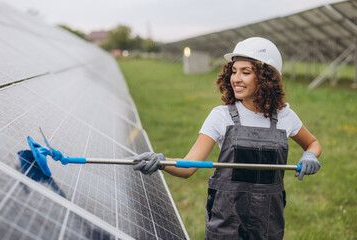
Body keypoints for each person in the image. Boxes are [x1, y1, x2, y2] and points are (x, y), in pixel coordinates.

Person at [133, 37, 322, 240]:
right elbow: (188, 167)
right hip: (226, 222)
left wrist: (310, 155)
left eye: (246, 72)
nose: (236, 78)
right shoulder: (221, 116)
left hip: (269, 222)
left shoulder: (285, 116)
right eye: (234, 71)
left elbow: (313, 143)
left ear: (267, 78)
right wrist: (161, 161)